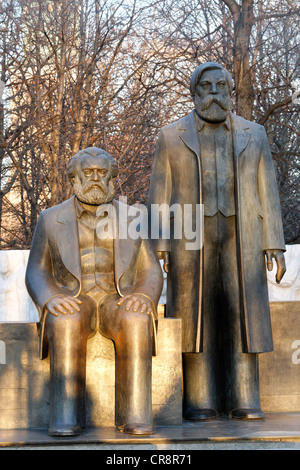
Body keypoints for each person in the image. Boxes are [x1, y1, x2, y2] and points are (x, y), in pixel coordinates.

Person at [148, 62, 286, 420]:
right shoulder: (170, 135)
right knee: (197, 315)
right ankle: (200, 400)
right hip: (190, 239)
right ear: (194, 93)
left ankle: (245, 399)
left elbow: (266, 188)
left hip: (244, 236)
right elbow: (159, 195)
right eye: (206, 87)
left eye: (220, 86)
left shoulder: (254, 133)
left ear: (230, 91)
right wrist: (159, 245)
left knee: (243, 314)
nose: (214, 94)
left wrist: (274, 242)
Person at [26, 147, 163, 436]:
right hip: (75, 296)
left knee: (136, 318)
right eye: (88, 172)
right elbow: (36, 271)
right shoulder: (50, 218)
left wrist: (144, 296)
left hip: (118, 297)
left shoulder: (135, 216)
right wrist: (51, 297)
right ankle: (65, 417)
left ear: (113, 177)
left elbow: (150, 269)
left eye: (103, 173)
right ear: (73, 177)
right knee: (65, 320)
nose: (96, 179)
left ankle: (136, 415)